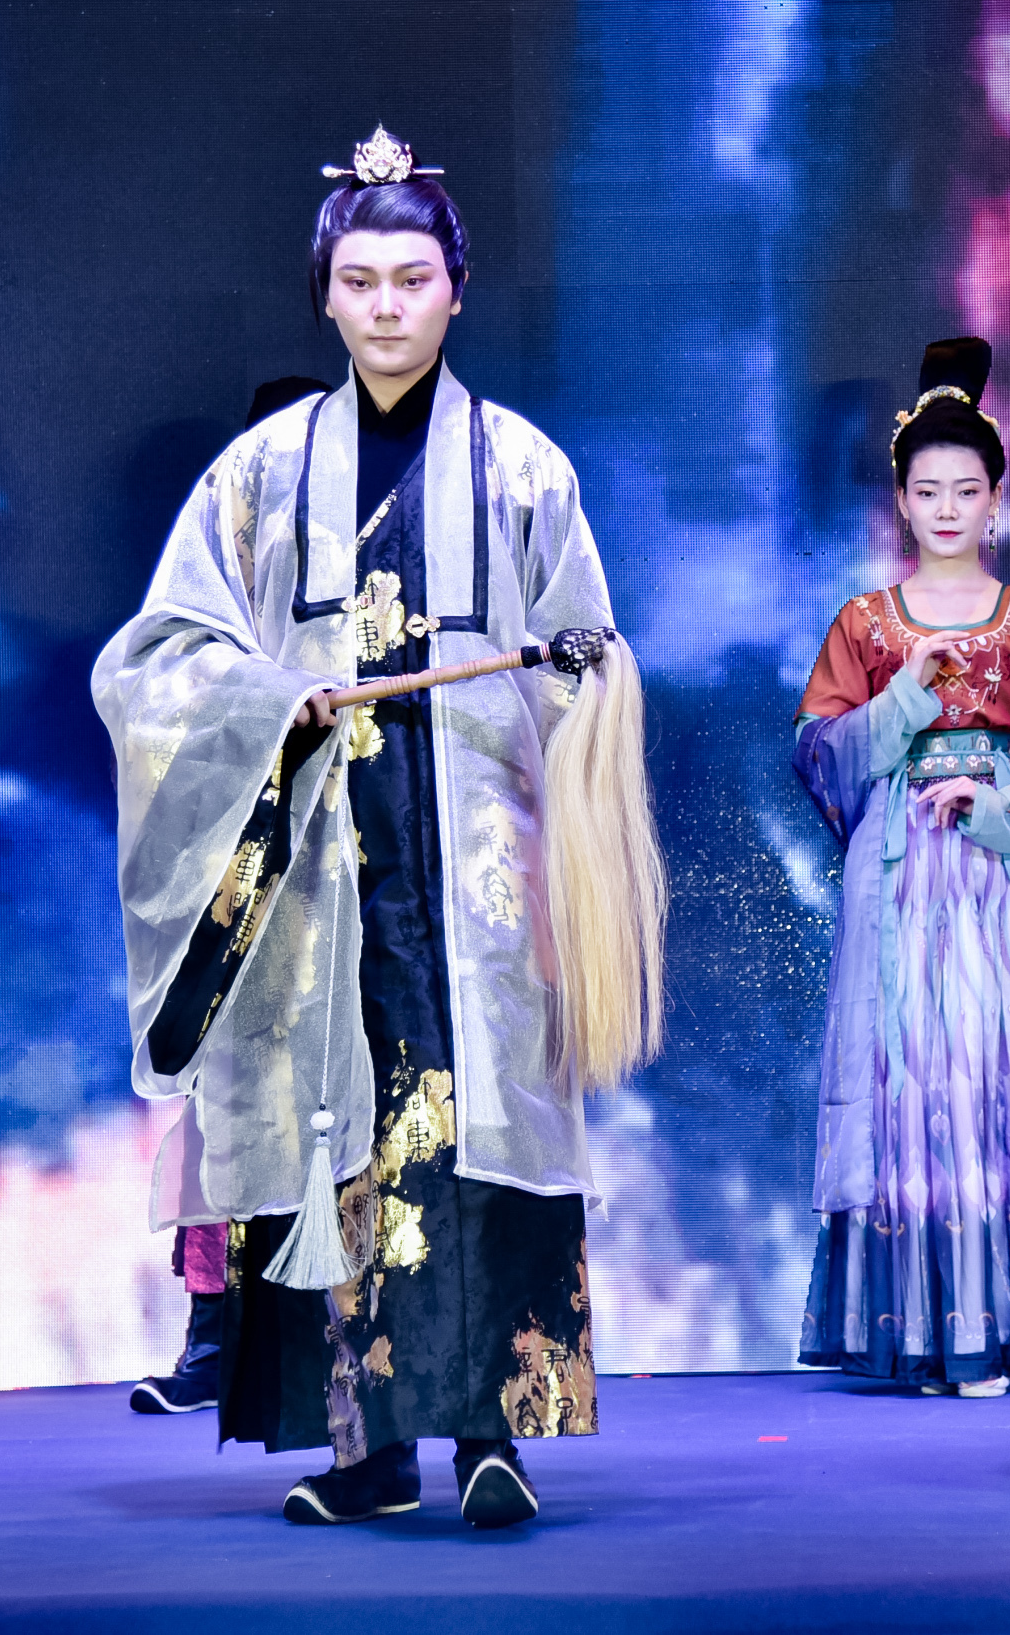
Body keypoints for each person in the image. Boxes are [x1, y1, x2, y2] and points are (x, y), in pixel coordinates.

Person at [93, 129, 620, 1528]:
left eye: (414, 278)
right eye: (361, 280)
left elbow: (586, 650)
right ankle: (365, 1448)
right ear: (323, 294)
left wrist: (571, 679)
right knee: (342, 1130)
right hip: (320, 866)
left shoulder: (522, 469)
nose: (388, 305)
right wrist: (273, 699)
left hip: (480, 868)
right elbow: (156, 658)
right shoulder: (259, 474)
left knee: (482, 1130)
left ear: (458, 289)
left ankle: (494, 1433)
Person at [793, 337, 1010, 1398]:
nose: (947, 508)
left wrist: (1001, 805)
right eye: (927, 491)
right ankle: (921, 1328)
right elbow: (819, 758)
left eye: (966, 489)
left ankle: (1003, 1322)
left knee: (1008, 1064)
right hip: (899, 877)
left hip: (999, 871)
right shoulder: (865, 623)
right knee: (913, 1075)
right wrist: (907, 696)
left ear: (996, 498)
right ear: (900, 501)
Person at [128, 373, 327, 1420]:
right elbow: (162, 706)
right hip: (240, 862)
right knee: (224, 1090)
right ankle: (216, 1335)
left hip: (347, 868)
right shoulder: (210, 591)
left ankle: (341, 1338)